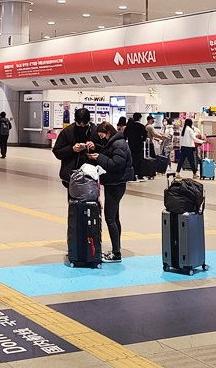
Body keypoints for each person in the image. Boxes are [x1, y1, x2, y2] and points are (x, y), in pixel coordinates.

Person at [89, 121, 134, 263]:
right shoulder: (114, 143)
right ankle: (116, 249)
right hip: (114, 183)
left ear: (108, 132)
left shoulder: (119, 144)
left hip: (116, 184)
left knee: (110, 218)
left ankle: (116, 253)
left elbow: (116, 164)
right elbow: (109, 154)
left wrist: (99, 158)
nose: (101, 138)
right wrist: (96, 149)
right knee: (114, 217)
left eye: (102, 135)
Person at [52, 108, 101, 198]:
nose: (82, 126)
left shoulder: (96, 131)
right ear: (75, 120)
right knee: (73, 201)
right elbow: (57, 151)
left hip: (91, 174)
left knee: (91, 201)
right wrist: (72, 149)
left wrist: (95, 147)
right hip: (72, 175)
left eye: (85, 124)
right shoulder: (67, 132)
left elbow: (105, 150)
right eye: (79, 124)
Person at [123, 112, 149, 179]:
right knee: (140, 160)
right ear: (140, 118)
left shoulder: (129, 127)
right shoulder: (141, 126)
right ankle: (140, 175)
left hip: (130, 145)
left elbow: (124, 136)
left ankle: (133, 175)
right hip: (139, 146)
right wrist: (142, 140)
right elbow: (145, 136)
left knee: (132, 160)